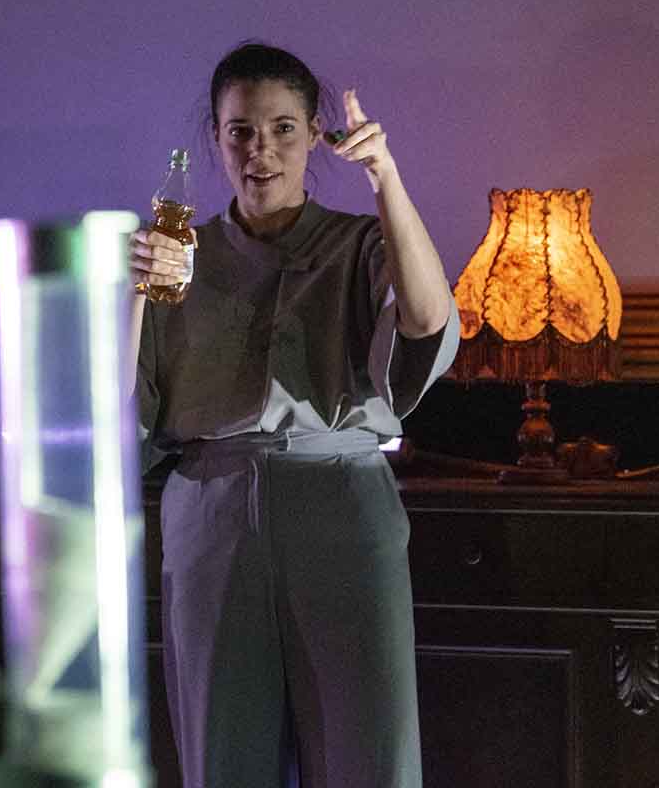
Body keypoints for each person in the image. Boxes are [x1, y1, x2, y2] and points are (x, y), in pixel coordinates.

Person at [128, 42, 459, 788]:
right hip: (210, 509)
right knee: (223, 757)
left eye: (283, 128)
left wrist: (386, 177)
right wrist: (131, 293)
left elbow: (426, 322)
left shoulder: (360, 242)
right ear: (217, 139)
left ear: (315, 134)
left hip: (339, 500)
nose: (261, 150)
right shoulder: (177, 255)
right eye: (240, 131)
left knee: (369, 753)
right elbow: (123, 414)